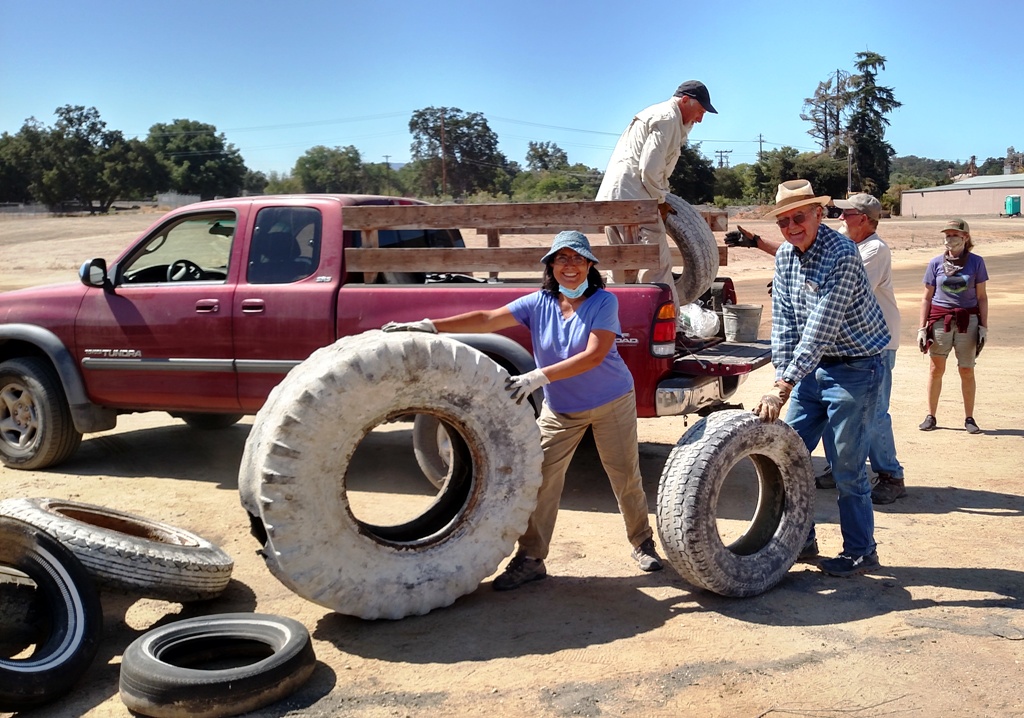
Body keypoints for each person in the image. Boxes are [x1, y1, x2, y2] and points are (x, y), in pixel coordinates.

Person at [382, 230, 664, 591]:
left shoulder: (603, 302)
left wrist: (536, 377)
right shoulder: (538, 303)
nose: (570, 266)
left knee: (624, 476)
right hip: (561, 410)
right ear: (550, 266)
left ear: (590, 265)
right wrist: (430, 327)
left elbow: (594, 355)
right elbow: (486, 319)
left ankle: (642, 542)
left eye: (578, 258)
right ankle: (531, 558)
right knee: (540, 480)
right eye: (562, 259)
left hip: (611, 401)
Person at [726, 194, 907, 504]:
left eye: (848, 214)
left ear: (863, 218)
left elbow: (824, 314)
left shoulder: (866, 251)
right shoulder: (821, 246)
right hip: (824, 353)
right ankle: (836, 472)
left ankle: (889, 474)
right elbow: (798, 259)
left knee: (873, 415)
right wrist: (757, 243)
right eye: (783, 221)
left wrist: (782, 385)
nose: (842, 218)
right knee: (820, 421)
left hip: (864, 349)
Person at [752, 180, 890, 578]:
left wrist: (783, 386)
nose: (792, 226)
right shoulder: (784, 259)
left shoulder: (843, 254)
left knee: (846, 466)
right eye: (784, 220)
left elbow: (820, 329)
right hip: (812, 369)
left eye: (799, 217)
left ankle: (861, 551)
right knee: (787, 456)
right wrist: (782, 374)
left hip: (855, 368)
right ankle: (802, 538)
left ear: (818, 214)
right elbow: (784, 324)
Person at [596, 80, 717, 309]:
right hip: (636, 201)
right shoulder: (668, 119)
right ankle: (665, 329)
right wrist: (660, 202)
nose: (700, 119)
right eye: (700, 111)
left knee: (622, 265)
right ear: (684, 100)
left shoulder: (659, 115)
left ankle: (621, 325)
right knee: (656, 266)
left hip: (615, 198)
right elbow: (650, 170)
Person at [918, 218, 989, 434]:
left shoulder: (976, 262)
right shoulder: (935, 264)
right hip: (940, 321)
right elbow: (927, 298)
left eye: (954, 235)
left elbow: (982, 297)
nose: (949, 239)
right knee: (936, 368)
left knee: (967, 369)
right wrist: (922, 327)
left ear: (965, 238)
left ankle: (969, 418)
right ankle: (931, 416)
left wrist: (984, 327)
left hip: (968, 321)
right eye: (947, 235)